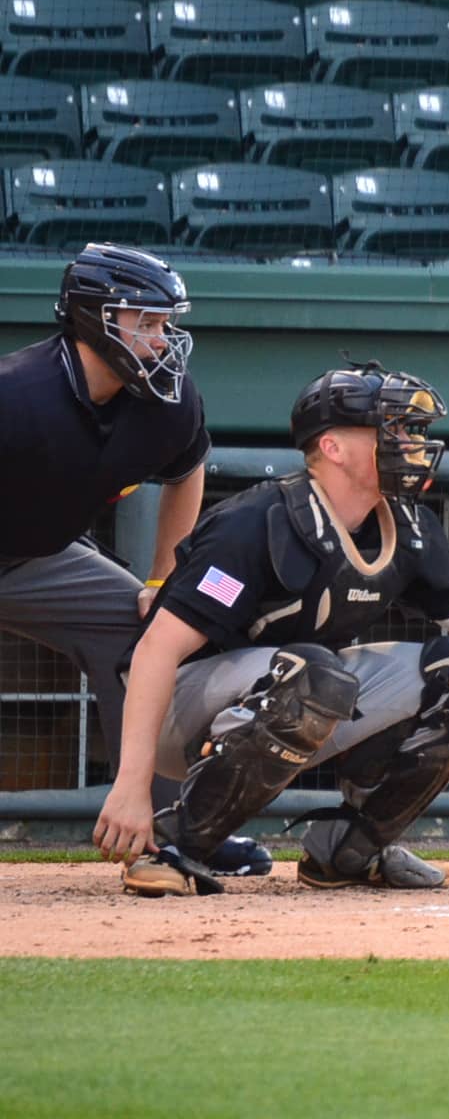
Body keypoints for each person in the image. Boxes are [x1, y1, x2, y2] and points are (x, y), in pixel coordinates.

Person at [92, 363, 449, 895]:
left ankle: (350, 850)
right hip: (174, 709)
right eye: (391, 429)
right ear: (332, 447)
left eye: (412, 430)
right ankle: (176, 845)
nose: (410, 442)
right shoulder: (256, 522)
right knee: (316, 675)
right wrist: (132, 786)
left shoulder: (408, 524)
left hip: (296, 692)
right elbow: (156, 649)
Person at [0, 245, 269, 878]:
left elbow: (187, 470)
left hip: (39, 558)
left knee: (147, 633)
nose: (161, 336)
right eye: (143, 321)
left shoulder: (168, 399)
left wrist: (161, 577)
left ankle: (169, 830)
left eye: (164, 322)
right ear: (94, 319)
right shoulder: (17, 394)